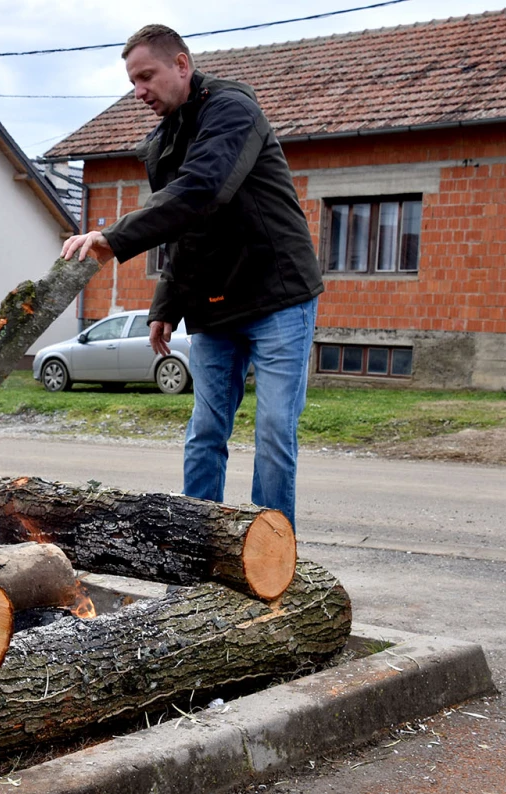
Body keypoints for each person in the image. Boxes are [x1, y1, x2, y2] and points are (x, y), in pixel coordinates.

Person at [61, 24, 324, 527]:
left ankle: (272, 550)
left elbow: (202, 191)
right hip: (214, 305)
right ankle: (197, 542)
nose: (139, 91)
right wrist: (167, 304)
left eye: (146, 76)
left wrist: (112, 238)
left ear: (181, 65)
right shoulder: (162, 142)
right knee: (205, 431)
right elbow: (182, 230)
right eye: (132, 82)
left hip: (278, 296)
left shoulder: (232, 110)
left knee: (273, 430)